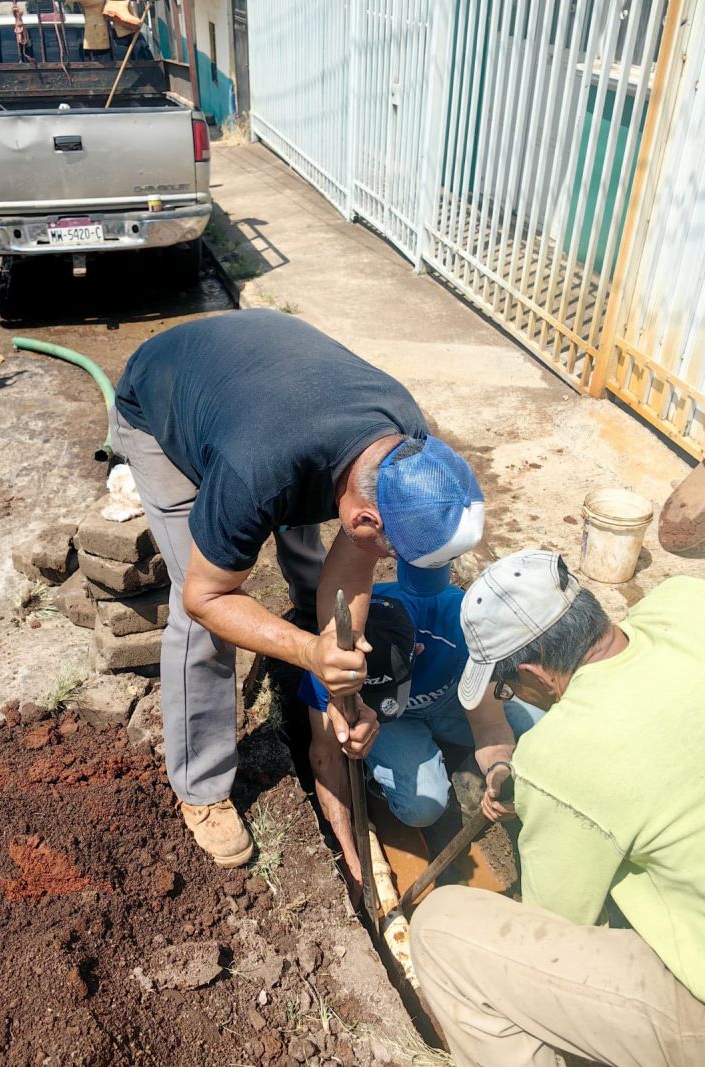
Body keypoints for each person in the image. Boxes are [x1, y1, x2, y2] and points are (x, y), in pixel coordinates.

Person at [110, 309, 485, 867]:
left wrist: (341, 692)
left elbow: (352, 564)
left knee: (312, 568)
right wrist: (311, 651)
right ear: (364, 522)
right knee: (202, 624)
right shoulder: (254, 470)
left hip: (268, 394)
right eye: (390, 551)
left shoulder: (406, 440)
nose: (388, 561)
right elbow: (205, 597)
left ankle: (311, 676)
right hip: (164, 403)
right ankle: (202, 788)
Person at [410, 549, 705, 1067]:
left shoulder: (562, 758)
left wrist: (547, 787)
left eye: (506, 688)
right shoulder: (686, 602)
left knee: (438, 931)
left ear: (535, 674)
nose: (511, 696)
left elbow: (553, 927)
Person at [300, 558, 543, 897]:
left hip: (453, 700)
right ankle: (382, 775)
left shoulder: (459, 624)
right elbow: (326, 757)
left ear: (418, 649)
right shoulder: (328, 665)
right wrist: (351, 859)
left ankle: (461, 765)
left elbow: (489, 724)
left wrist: (500, 770)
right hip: (393, 725)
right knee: (423, 809)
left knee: (540, 730)